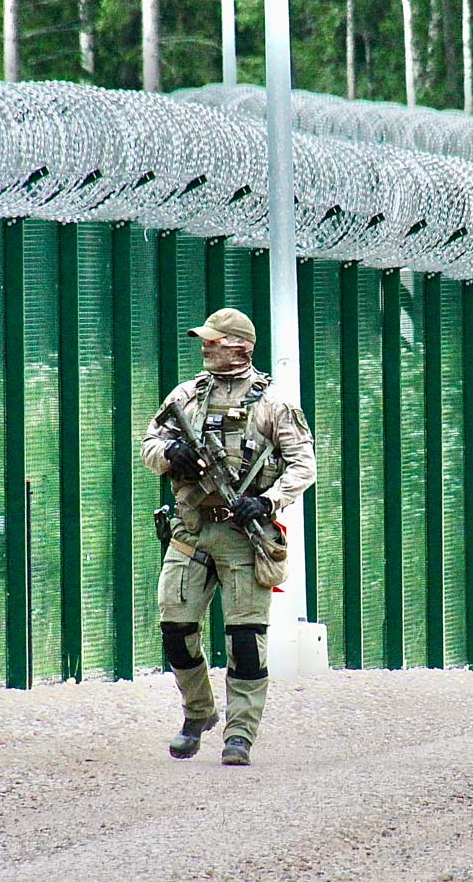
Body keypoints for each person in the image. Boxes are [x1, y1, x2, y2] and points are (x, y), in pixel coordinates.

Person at [140, 306, 316, 766]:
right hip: (191, 530)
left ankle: (240, 733)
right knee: (175, 626)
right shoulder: (186, 396)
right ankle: (198, 712)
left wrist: (269, 500)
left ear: (240, 346)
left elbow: (304, 465)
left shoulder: (274, 404)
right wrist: (170, 453)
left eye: (214, 341)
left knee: (244, 638)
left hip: (243, 534)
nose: (205, 347)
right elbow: (149, 444)